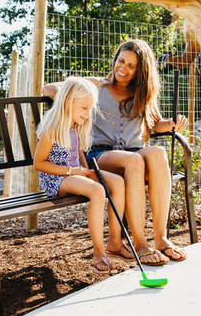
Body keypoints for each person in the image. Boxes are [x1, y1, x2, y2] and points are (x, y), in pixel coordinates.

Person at [41, 39, 189, 266]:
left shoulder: (143, 93)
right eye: (121, 61)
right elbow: (48, 88)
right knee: (134, 160)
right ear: (115, 59)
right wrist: (72, 100)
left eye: (132, 66)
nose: (123, 68)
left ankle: (161, 239)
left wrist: (172, 124)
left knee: (158, 153)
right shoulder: (96, 85)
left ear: (141, 70)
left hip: (132, 153)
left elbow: (155, 123)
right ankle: (140, 244)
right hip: (99, 156)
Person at [34, 77, 126, 274]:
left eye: (90, 108)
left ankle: (115, 242)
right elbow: (39, 164)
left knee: (117, 182)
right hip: (57, 179)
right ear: (67, 102)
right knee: (97, 190)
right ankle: (98, 253)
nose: (88, 113)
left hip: (74, 173)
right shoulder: (53, 128)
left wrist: (88, 170)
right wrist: (71, 172)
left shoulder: (74, 125)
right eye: (84, 107)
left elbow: (78, 153)